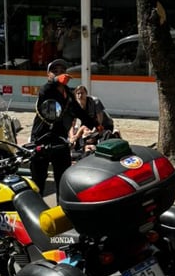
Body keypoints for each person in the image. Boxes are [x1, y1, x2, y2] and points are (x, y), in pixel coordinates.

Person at [29, 59, 97, 196]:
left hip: (60, 140)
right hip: (41, 140)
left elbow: (79, 112)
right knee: (38, 181)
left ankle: (62, 211)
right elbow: (43, 94)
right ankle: (36, 213)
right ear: (48, 75)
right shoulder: (46, 90)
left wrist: (96, 125)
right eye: (55, 72)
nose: (59, 74)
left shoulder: (69, 94)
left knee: (62, 179)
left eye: (62, 71)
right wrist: (55, 81)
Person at [69, 85, 118, 150]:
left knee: (98, 140)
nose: (80, 95)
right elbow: (71, 124)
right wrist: (73, 137)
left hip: (104, 125)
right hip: (89, 125)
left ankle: (115, 134)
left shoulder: (95, 101)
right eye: (78, 93)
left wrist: (92, 133)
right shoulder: (75, 106)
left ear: (86, 94)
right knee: (80, 139)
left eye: (82, 93)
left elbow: (99, 122)